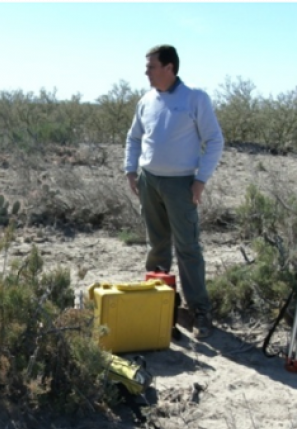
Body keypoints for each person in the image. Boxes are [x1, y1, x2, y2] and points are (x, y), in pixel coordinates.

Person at [125, 44, 224, 339]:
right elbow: (134, 138)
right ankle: (159, 307)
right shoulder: (146, 101)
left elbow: (214, 140)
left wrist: (201, 179)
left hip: (182, 183)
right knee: (156, 245)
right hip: (149, 181)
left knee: (188, 249)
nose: (146, 72)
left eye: (151, 67)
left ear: (169, 67)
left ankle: (200, 312)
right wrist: (131, 170)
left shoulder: (194, 98)